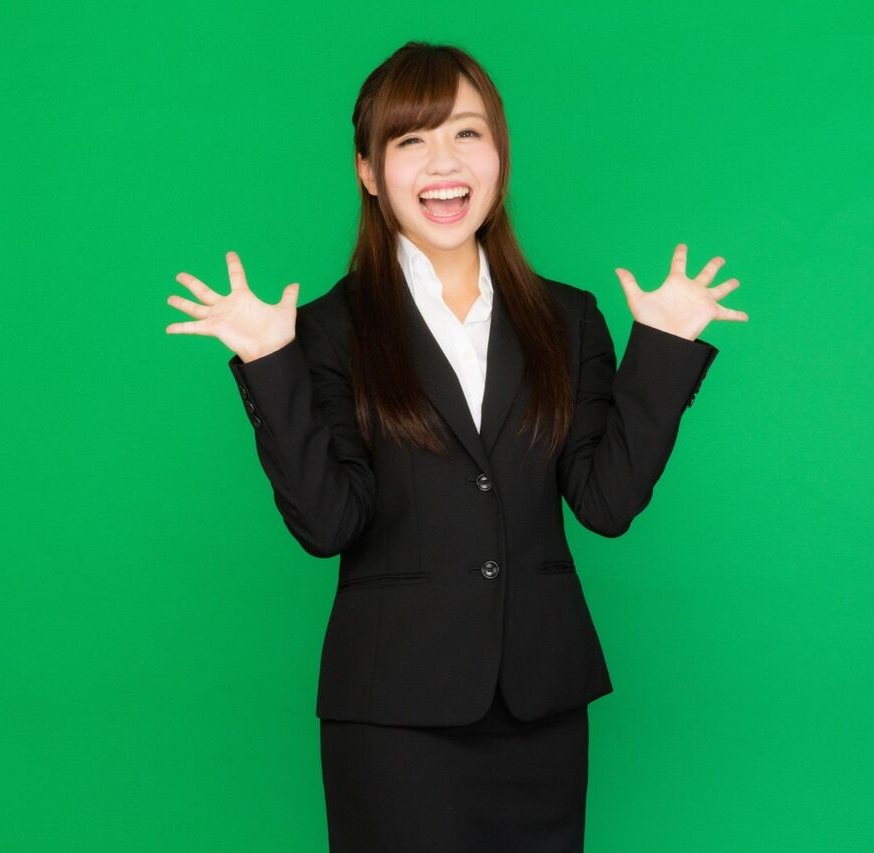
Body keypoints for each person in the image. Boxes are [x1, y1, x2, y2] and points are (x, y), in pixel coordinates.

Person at [165, 40, 747, 853]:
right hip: (394, 717)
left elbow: (606, 503)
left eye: (467, 133)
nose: (445, 163)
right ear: (369, 171)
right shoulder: (327, 330)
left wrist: (663, 348)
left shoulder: (569, 319)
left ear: (499, 154)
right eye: (412, 140)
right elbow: (328, 525)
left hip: (542, 709)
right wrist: (272, 363)